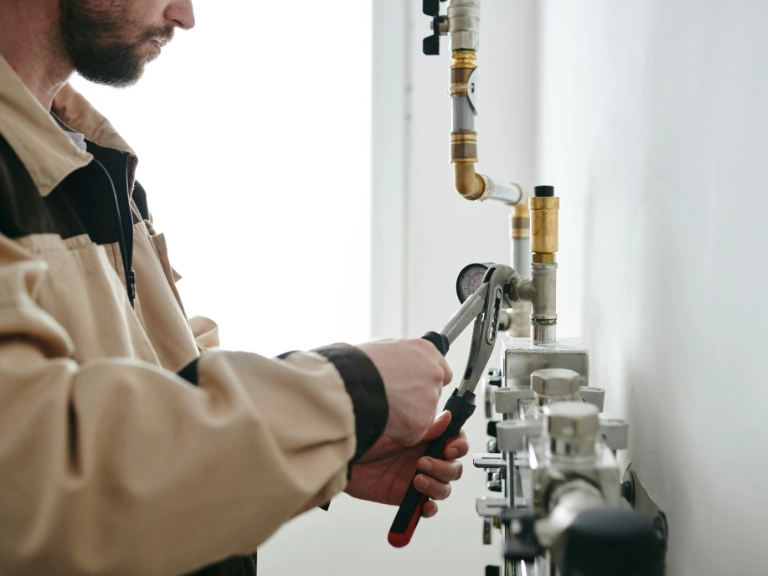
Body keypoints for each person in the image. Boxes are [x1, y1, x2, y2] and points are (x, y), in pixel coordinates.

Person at [0, 1, 470, 574]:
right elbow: (35, 479)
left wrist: (324, 452)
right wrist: (348, 398)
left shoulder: (90, 157)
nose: (184, 14)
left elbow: (153, 397)